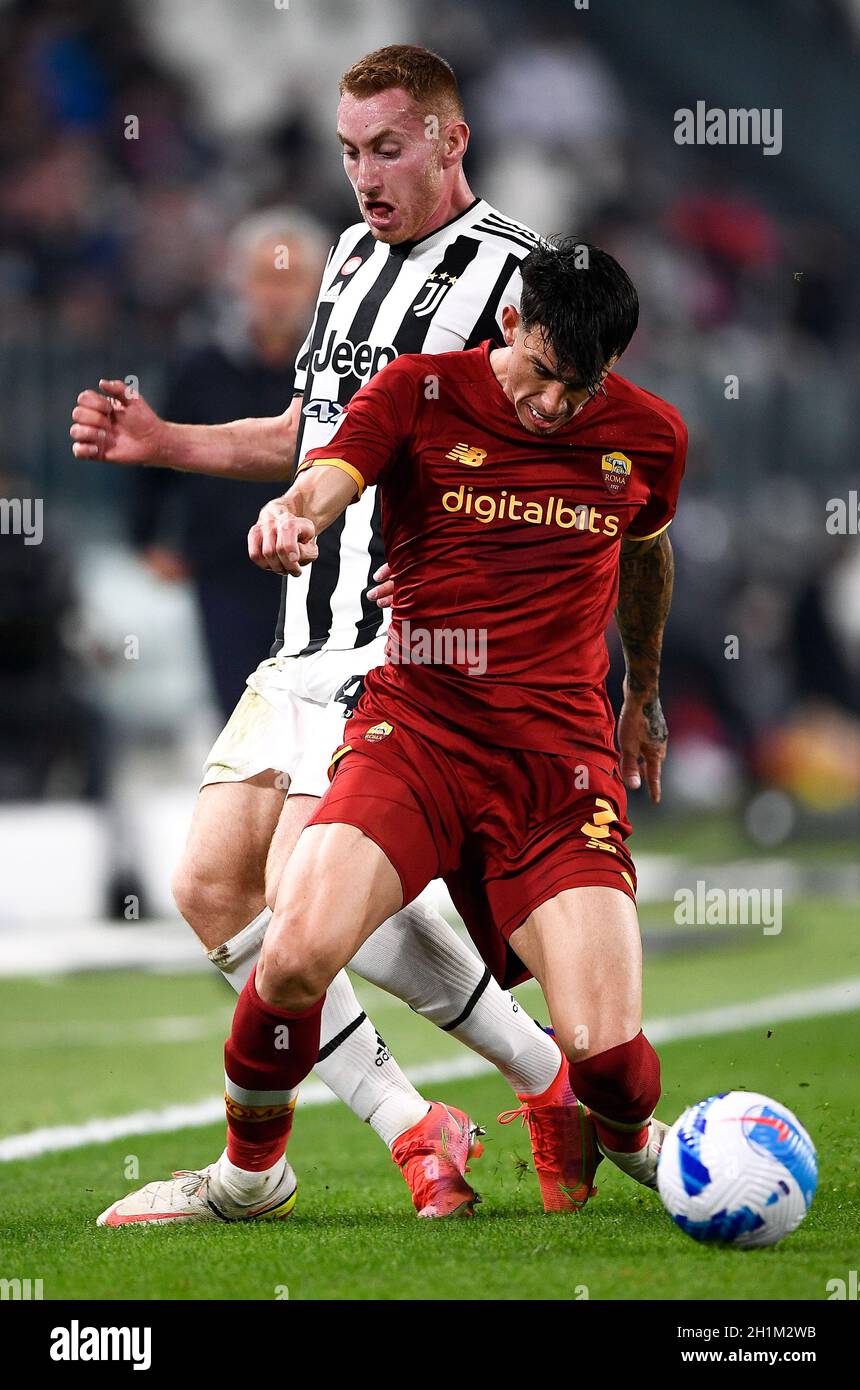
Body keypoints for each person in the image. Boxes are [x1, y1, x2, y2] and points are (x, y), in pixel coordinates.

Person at [77, 46, 600, 1221]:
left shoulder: (517, 282)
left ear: (450, 140)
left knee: (310, 913)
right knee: (215, 891)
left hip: (410, 644)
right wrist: (168, 444)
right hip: (305, 634)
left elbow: (563, 454)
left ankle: (268, 1172)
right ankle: (464, 1106)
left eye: (387, 148)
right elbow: (316, 430)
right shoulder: (354, 258)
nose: (363, 175)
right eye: (348, 151)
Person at [130, 209, 328, 720]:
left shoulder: (337, 369)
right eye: (265, 277)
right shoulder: (202, 365)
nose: (277, 294)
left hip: (320, 564)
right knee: (239, 707)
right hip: (225, 564)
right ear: (239, 281)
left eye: (290, 279)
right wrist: (147, 539)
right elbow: (159, 447)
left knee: (313, 710)